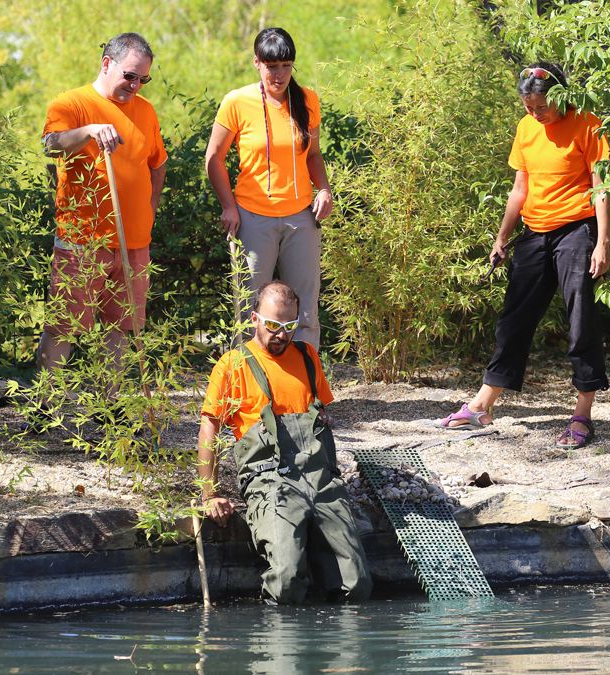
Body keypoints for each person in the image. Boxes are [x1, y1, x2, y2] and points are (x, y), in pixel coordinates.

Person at [438, 63, 610, 448]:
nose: (535, 113)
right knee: (513, 319)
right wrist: (502, 237)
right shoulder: (526, 128)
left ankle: (583, 413)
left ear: (561, 96)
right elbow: (519, 189)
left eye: (541, 106)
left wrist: (601, 243)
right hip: (535, 232)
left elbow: (601, 187)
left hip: (576, 231)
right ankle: (484, 405)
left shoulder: (588, 123)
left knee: (580, 318)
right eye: (528, 105)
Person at [198, 281, 371, 604]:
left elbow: (321, 415)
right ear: (254, 319)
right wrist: (210, 494)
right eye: (273, 325)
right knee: (287, 581)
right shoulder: (233, 364)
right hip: (270, 481)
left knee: (357, 583)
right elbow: (209, 428)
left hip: (321, 479)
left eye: (289, 326)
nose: (281, 334)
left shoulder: (307, 357)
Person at [37, 32, 167, 380]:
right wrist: (89, 131)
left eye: (143, 79)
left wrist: (150, 208)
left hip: (134, 242)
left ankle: (110, 407)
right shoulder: (71, 104)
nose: (136, 85)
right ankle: (45, 407)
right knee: (64, 326)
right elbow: (51, 144)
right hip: (83, 239)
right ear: (107, 64)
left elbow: (158, 162)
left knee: (120, 327)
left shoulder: (146, 111)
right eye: (130, 75)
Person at [205, 27, 333, 349]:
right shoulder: (236, 101)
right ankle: (249, 387)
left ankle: (306, 390)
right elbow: (213, 159)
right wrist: (228, 206)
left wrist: (324, 190)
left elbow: (313, 154)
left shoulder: (307, 101)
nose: (279, 74)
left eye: (286, 65)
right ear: (256, 63)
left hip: (301, 218)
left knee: (304, 306)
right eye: (271, 66)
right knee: (249, 309)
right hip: (253, 218)